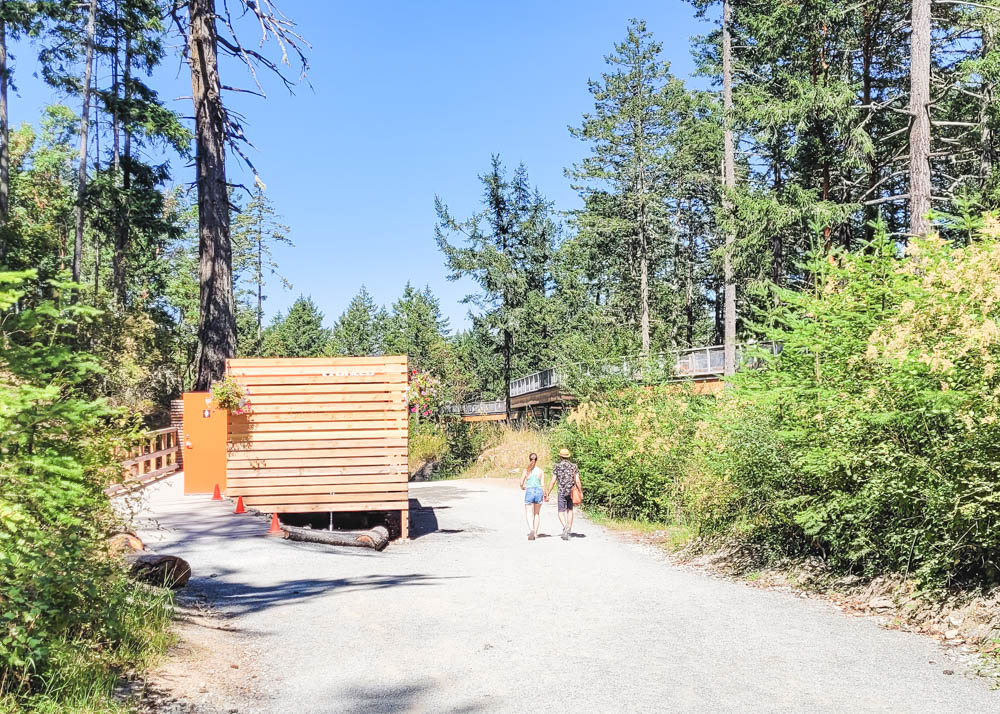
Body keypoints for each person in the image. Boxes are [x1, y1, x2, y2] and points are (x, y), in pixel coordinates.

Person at [546, 448, 582, 540]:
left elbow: (553, 481)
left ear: (560, 456)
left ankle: (565, 526)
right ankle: (569, 529)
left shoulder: (557, 466)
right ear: (568, 456)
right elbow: (577, 481)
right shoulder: (574, 466)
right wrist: (580, 491)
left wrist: (548, 493)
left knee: (560, 512)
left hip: (561, 491)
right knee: (570, 510)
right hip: (571, 492)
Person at [520, 452, 545, 540]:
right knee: (537, 513)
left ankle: (531, 529)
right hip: (538, 491)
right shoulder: (540, 471)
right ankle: (536, 533)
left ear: (529, 459)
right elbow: (542, 484)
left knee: (529, 513)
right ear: (536, 460)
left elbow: (521, 482)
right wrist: (545, 494)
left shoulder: (526, 470)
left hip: (530, 491)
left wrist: (522, 487)